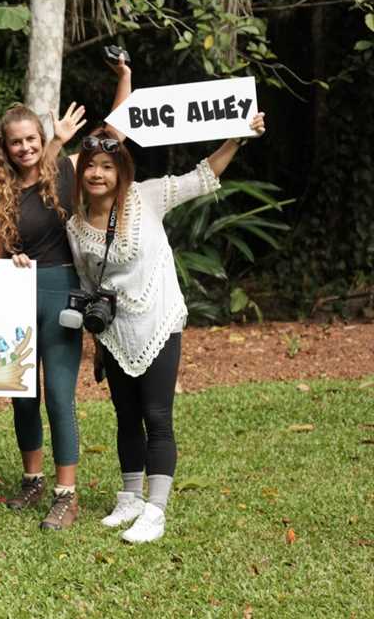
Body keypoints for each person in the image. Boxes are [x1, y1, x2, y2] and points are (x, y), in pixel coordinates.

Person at [66, 114, 266, 543]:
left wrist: (238, 138)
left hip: (157, 321)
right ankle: (131, 496)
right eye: (90, 166)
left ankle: (155, 510)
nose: (97, 174)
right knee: (125, 417)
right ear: (81, 172)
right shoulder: (75, 225)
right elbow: (87, 283)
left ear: (121, 172)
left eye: (107, 166)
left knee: (157, 416)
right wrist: (95, 336)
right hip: (114, 330)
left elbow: (202, 176)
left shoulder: (145, 198)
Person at [0, 60, 131, 531]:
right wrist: (10, 264)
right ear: (4, 148)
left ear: (39, 138)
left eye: (31, 139)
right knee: (22, 396)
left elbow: (115, 135)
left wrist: (123, 78)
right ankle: (33, 479)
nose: (24, 149)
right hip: (15, 295)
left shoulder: (65, 171)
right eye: (16, 142)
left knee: (59, 397)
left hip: (61, 292)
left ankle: (67, 494)